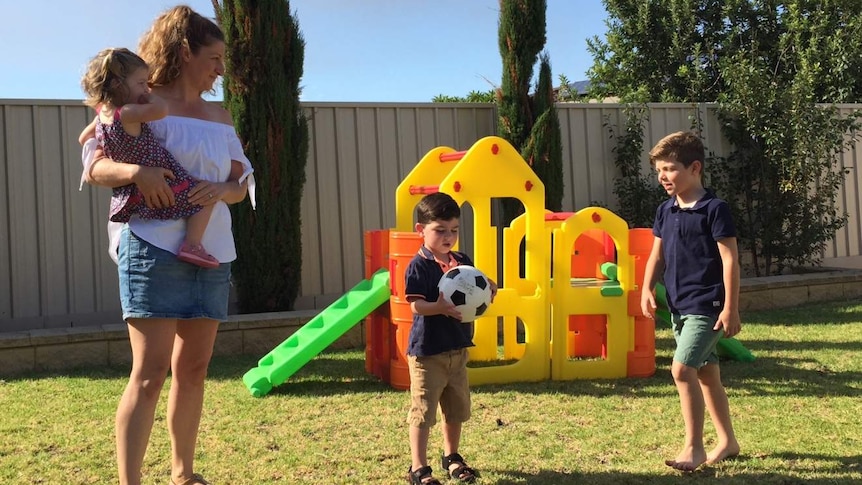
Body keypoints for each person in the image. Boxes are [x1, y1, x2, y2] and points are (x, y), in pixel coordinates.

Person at [80, 6, 255, 485]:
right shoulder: (138, 100)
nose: (222, 69)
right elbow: (93, 164)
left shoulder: (221, 116)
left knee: (194, 369)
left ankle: (183, 473)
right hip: (151, 247)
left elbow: (241, 183)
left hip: (212, 252)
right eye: (215, 57)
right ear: (185, 52)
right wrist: (137, 172)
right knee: (150, 372)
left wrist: (223, 190)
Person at [640, 131, 741, 472]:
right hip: (680, 307)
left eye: (669, 169)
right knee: (708, 375)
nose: (662, 177)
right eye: (659, 171)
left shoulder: (715, 210)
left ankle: (694, 447)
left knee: (682, 370)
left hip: (708, 306)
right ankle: (727, 441)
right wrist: (646, 288)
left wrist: (731, 307)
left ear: (694, 167)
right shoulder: (665, 211)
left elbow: (730, 260)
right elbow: (657, 256)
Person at [80, 47, 218, 268]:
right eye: (141, 83)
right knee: (205, 197)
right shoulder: (127, 113)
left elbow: (82, 138)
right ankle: (192, 245)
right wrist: (150, 96)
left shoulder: (103, 115)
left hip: (135, 189)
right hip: (159, 173)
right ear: (118, 85)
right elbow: (161, 110)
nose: (146, 88)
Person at [403, 192, 497, 485]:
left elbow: (474, 284)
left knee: (456, 408)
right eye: (440, 230)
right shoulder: (419, 266)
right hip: (428, 352)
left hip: (457, 348)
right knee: (424, 411)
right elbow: (415, 304)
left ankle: (452, 457)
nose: (449, 237)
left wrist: (488, 286)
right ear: (421, 230)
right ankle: (418, 468)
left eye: (454, 230)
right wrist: (439, 307)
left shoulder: (462, 260)